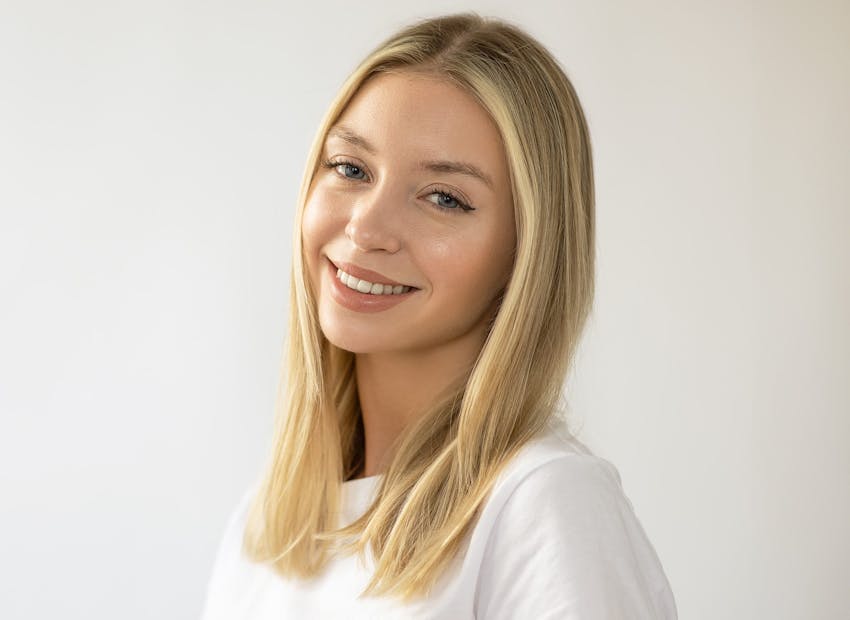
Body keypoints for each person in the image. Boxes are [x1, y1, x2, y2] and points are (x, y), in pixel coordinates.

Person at [201, 11, 677, 619]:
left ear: (526, 251)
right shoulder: (265, 529)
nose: (366, 228)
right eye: (350, 168)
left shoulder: (540, 502)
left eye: (444, 198)